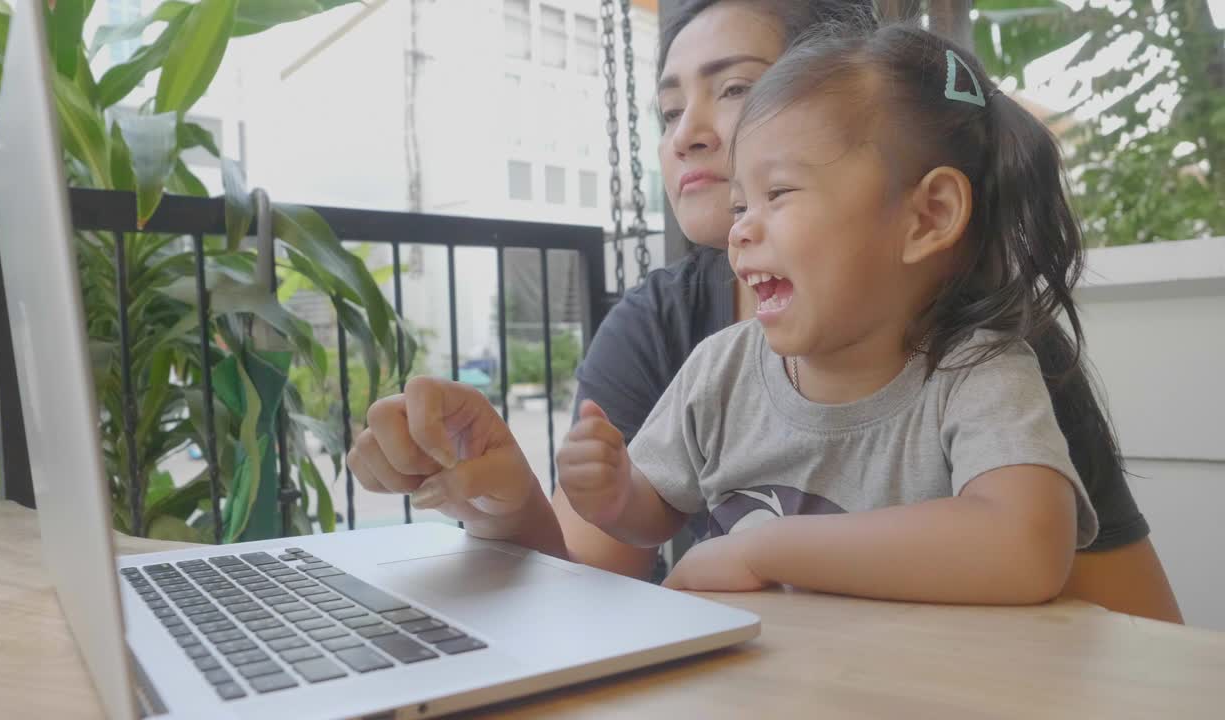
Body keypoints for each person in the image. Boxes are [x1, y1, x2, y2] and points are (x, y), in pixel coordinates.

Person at [348, 1, 1180, 619]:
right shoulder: (713, 360)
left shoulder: (979, 365)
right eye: (669, 112)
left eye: (776, 188)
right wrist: (568, 495)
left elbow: (1027, 547)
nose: (742, 224)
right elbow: (618, 546)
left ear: (927, 216)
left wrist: (762, 547)